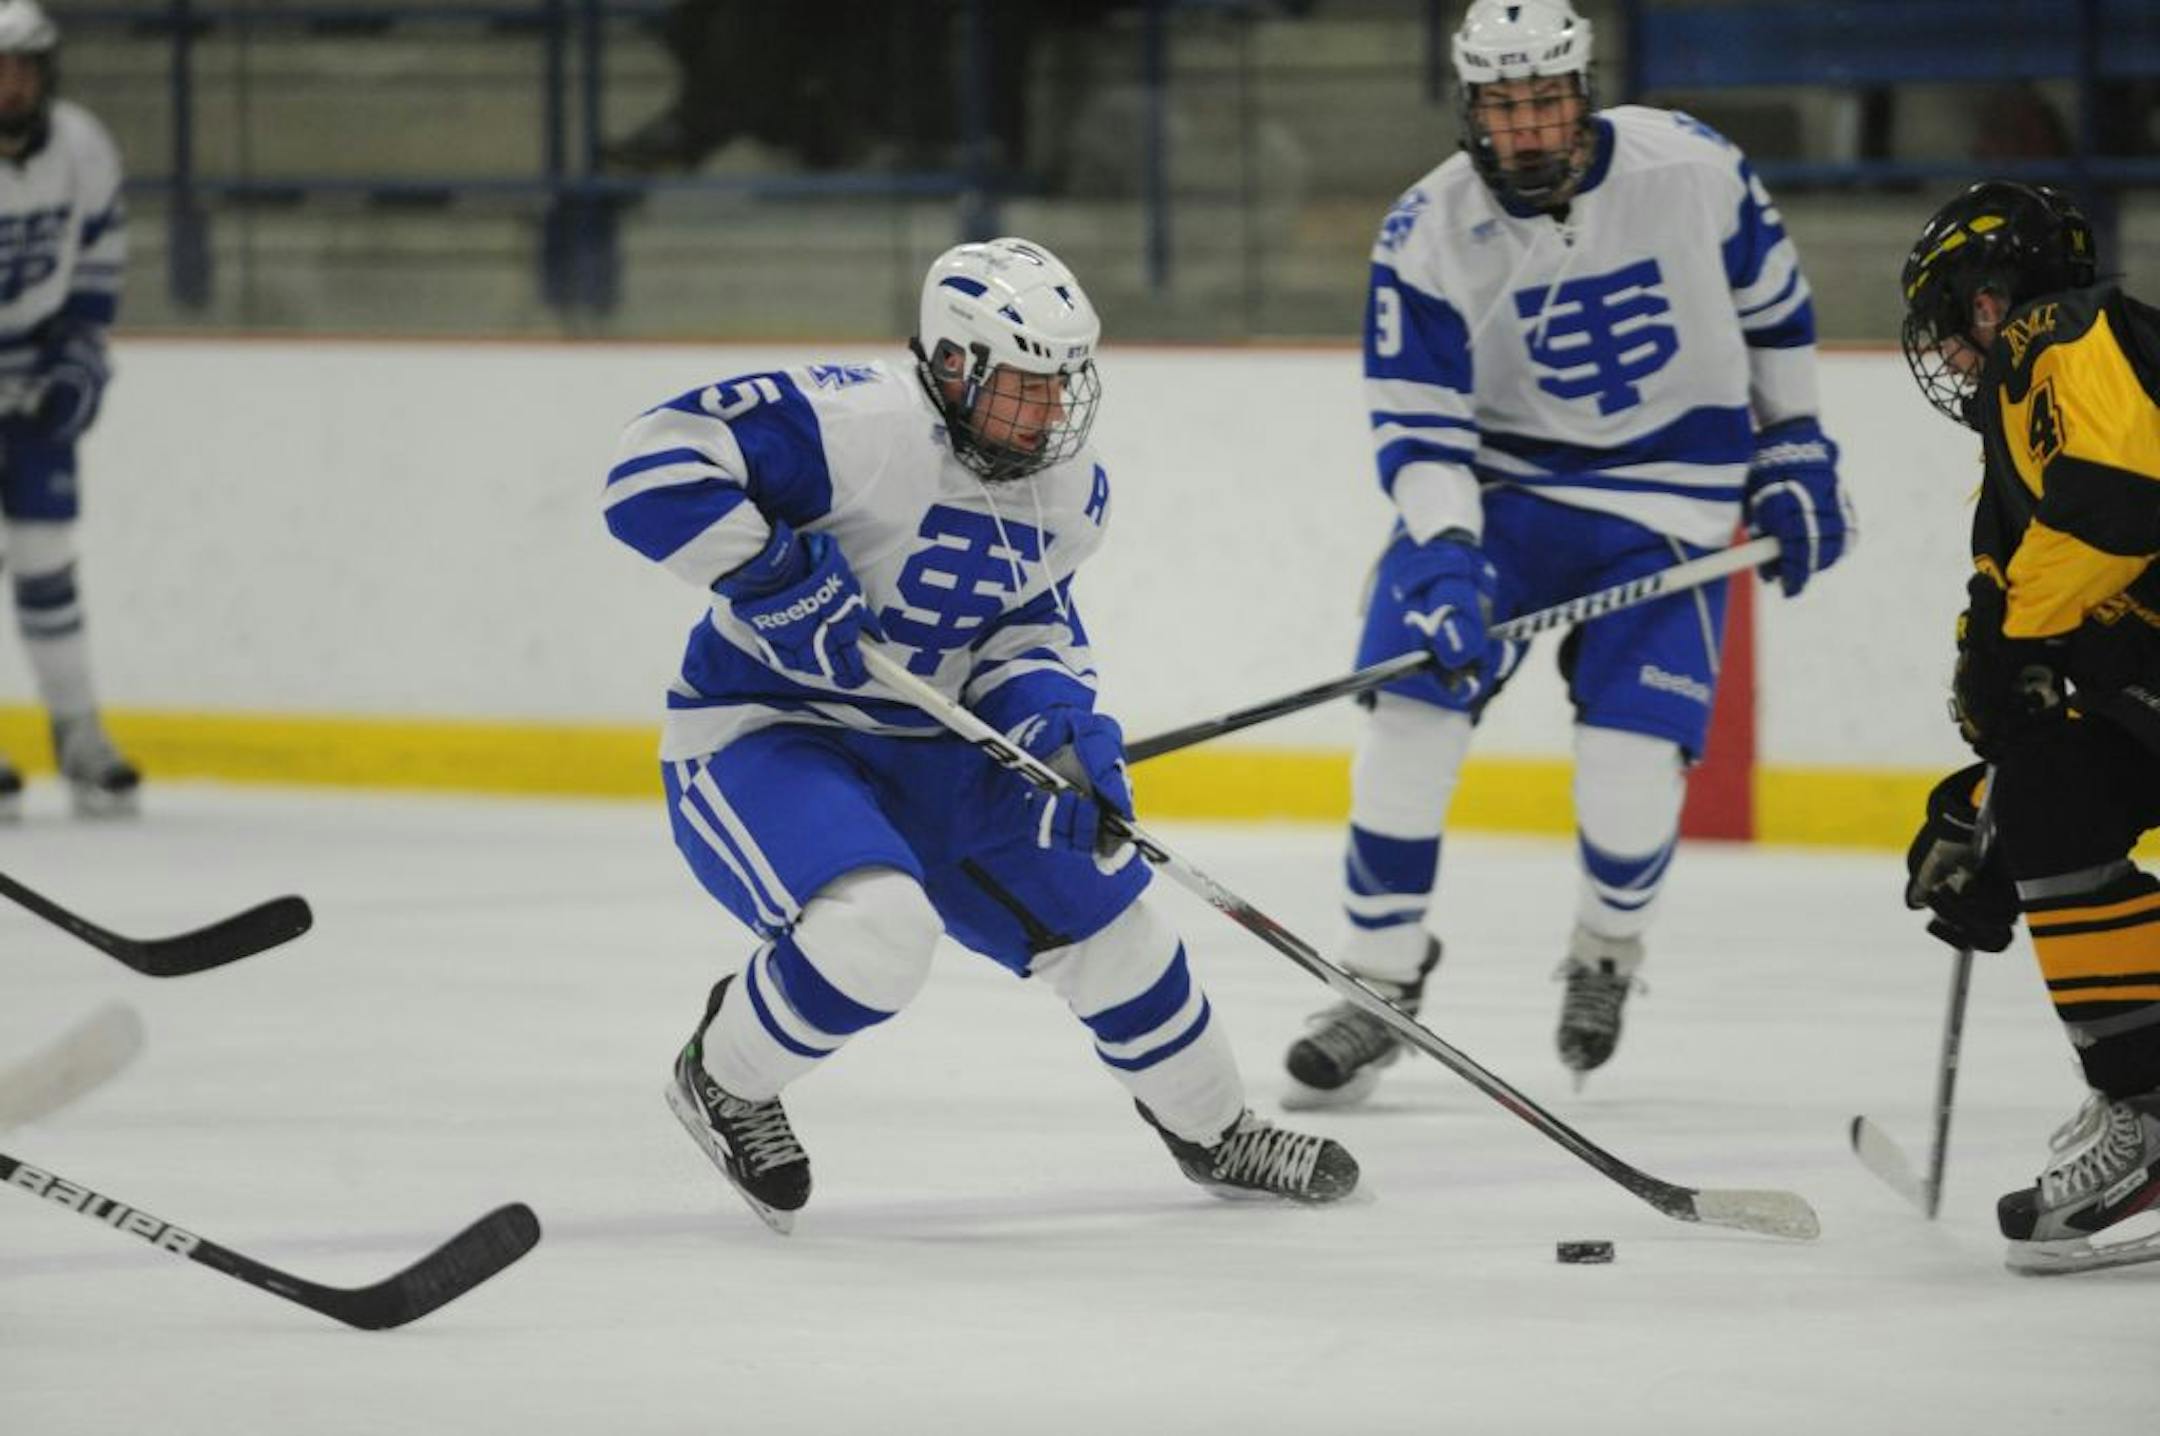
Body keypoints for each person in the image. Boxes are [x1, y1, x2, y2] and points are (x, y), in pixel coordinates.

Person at [601, 235, 1358, 1232]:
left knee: (1113, 924)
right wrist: (778, 574)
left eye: (1067, 383)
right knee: (878, 931)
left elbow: (1025, 631)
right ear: (953, 367)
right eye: (1029, 386)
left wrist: (1061, 732)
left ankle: (1217, 1130)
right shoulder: (849, 421)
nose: (1054, 412)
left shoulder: (1071, 492)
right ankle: (726, 1079)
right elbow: (645, 472)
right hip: (771, 727)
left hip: (942, 751)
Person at [1279, 0, 1853, 1106]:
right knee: (1410, 719)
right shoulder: (1425, 230)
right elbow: (1418, 427)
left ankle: (1602, 957)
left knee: (1631, 774)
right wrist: (1446, 556)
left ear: (1581, 91)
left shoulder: (1692, 167)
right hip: (1500, 502)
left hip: (1671, 504)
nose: (1530, 125)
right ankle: (1378, 982)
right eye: (1505, 104)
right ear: (1471, 106)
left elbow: (1776, 309)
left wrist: (1797, 443)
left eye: (1546, 98)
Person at [1898, 179, 2160, 1275]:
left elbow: (2121, 495)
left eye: (1955, 321)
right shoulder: (2018, 420)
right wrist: (1983, 814)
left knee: (2043, 794)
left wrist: (2009, 640)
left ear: (1998, 297)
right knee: (2036, 799)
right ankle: (2145, 1106)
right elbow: (2030, 632)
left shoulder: (2070, 330)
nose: (1953, 356)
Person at [0, 0, 136, 821]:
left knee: (48, 555)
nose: (10, 85)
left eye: (23, 68)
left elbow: (98, 261)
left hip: (36, 368)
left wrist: (80, 357)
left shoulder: (82, 147)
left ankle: (79, 734)